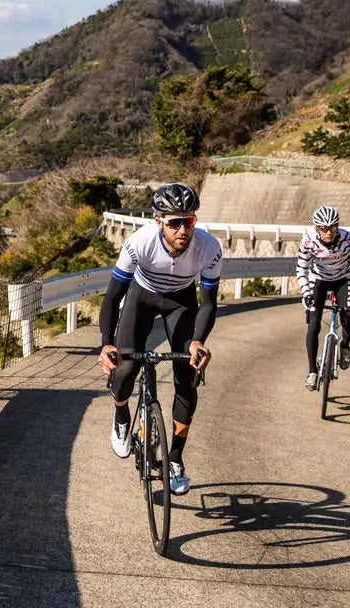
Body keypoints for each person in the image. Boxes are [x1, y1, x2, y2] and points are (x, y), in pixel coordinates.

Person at [98, 182, 221, 496]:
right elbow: (113, 298)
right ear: (159, 223)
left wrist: (197, 340)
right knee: (125, 369)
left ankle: (176, 458)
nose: (182, 229)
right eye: (174, 222)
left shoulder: (209, 247)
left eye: (189, 221)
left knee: (187, 376)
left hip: (180, 302)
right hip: (141, 297)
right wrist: (106, 344)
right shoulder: (139, 242)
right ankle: (122, 414)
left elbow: (207, 303)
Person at [295, 205, 350, 389]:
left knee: (349, 317)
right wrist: (306, 293)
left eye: (333, 228)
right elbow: (301, 269)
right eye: (324, 229)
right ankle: (312, 371)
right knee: (314, 324)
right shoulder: (308, 241)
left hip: (342, 279)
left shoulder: (348, 239)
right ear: (316, 228)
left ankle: (344, 346)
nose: (329, 232)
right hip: (318, 280)